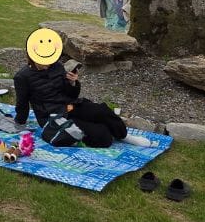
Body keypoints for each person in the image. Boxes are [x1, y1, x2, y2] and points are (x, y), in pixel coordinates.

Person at [13, 50, 151, 148]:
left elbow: (71, 94)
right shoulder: (22, 77)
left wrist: (73, 83)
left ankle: (124, 136)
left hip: (71, 106)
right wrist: (19, 122)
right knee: (103, 137)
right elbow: (22, 104)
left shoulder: (57, 66)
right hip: (53, 116)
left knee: (101, 110)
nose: (48, 64)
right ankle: (107, 132)